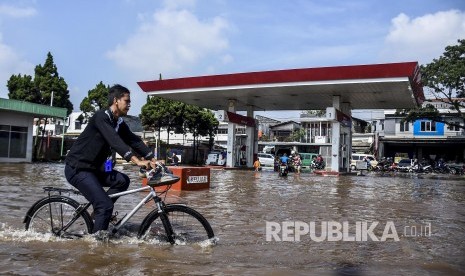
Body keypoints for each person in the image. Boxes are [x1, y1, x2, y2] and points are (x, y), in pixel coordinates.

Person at [64, 84, 156, 235]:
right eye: (127, 101)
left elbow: (134, 140)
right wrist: (137, 161)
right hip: (78, 168)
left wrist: (153, 159)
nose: (130, 104)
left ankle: (98, 213)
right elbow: (115, 141)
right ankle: (96, 244)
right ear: (116, 100)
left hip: (95, 169)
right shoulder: (101, 117)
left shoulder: (118, 122)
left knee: (122, 180)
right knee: (105, 206)